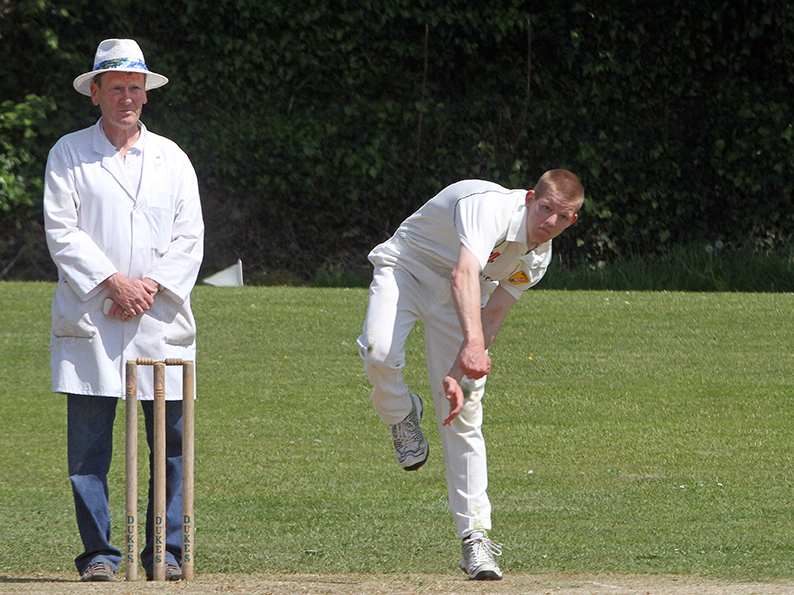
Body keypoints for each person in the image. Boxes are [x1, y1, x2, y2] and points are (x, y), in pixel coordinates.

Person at [357, 171, 583, 580]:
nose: (549, 221)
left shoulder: (537, 258)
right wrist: (472, 347)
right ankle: (400, 413)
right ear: (532, 198)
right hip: (408, 268)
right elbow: (464, 272)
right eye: (545, 208)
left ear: (572, 221)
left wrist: (457, 372)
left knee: (463, 410)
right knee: (379, 353)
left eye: (561, 217)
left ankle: (474, 538)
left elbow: (493, 314)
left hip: (461, 299)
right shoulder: (490, 206)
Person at [43, 39, 204, 582]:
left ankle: (168, 551)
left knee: (170, 446)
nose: (126, 98)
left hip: (159, 320)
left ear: (146, 94)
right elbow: (61, 232)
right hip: (92, 317)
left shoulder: (173, 158)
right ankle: (99, 556)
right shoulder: (68, 153)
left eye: (135, 88)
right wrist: (113, 282)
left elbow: (191, 236)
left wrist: (147, 288)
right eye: (116, 88)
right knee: (89, 451)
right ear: (95, 93)